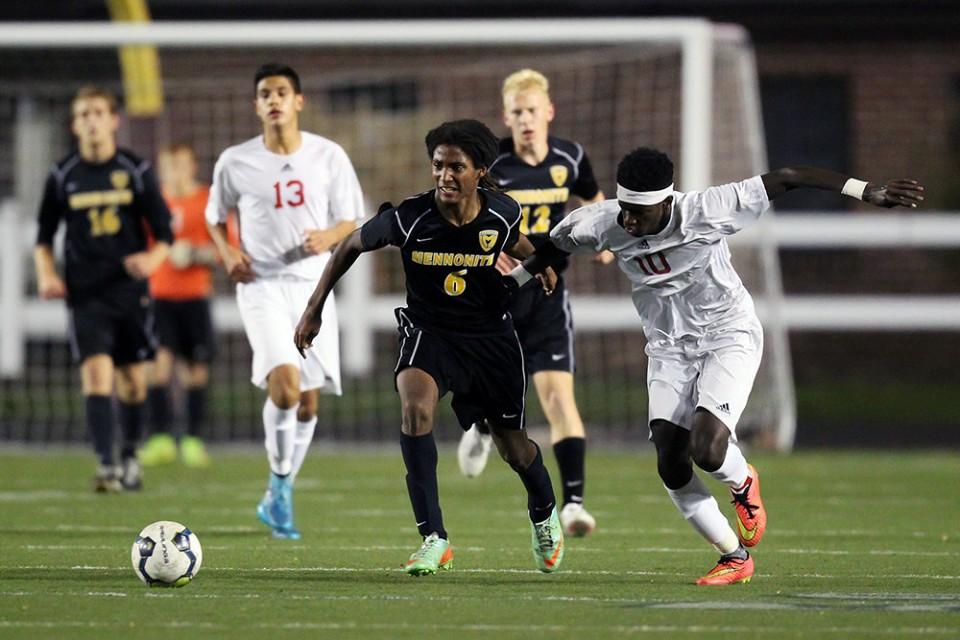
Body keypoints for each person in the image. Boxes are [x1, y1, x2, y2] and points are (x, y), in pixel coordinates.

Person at [508, 147, 924, 584]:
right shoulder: (601, 221)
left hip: (729, 335)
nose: (629, 221)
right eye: (625, 209)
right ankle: (733, 556)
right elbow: (551, 250)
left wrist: (866, 191)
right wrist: (510, 283)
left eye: (639, 213)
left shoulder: (706, 210)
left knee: (707, 450)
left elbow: (788, 174)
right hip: (668, 348)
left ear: (667, 202)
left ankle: (742, 482)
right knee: (670, 460)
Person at [294, 119, 566, 576]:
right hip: (429, 332)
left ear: (480, 170)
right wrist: (314, 308)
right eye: (438, 165)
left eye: (456, 166)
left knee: (514, 449)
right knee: (415, 408)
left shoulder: (500, 212)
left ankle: (543, 512)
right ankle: (434, 538)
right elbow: (348, 247)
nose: (444, 176)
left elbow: (515, 240)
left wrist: (536, 263)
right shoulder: (409, 216)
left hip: (489, 339)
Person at [206, 63, 364, 540]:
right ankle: (279, 487)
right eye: (264, 93)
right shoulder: (235, 161)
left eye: (281, 92)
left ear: (299, 101)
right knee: (285, 390)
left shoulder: (328, 155)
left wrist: (328, 236)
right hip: (263, 286)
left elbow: (352, 219)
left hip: (313, 288)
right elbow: (214, 217)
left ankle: (280, 494)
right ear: (256, 106)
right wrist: (228, 252)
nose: (273, 99)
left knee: (309, 405)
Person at [457, 69, 607, 537]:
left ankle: (575, 505)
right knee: (496, 397)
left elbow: (594, 198)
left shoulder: (570, 157)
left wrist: (605, 236)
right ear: (507, 116)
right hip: (498, 297)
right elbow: (465, 214)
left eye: (532, 111)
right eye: (516, 112)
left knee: (558, 399)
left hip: (546, 297)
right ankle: (480, 427)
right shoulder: (492, 163)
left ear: (548, 112)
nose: (525, 120)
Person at [34, 85, 173, 492]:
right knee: (96, 374)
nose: (91, 120)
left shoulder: (135, 169)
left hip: (129, 291)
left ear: (114, 120)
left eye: (98, 112)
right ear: (75, 124)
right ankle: (106, 463)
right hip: (85, 293)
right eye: (83, 114)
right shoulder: (62, 175)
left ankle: (130, 453)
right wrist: (47, 274)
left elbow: (164, 233)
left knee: (132, 379)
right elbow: (43, 237)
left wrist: (151, 260)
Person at [139, 143, 217, 468]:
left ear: (192, 166)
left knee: (195, 370)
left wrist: (195, 253)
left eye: (181, 164)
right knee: (157, 364)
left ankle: (192, 440)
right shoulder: (153, 204)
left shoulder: (208, 201)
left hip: (195, 296)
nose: (175, 171)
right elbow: (142, 250)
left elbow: (227, 251)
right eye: (169, 165)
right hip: (159, 296)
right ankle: (159, 439)